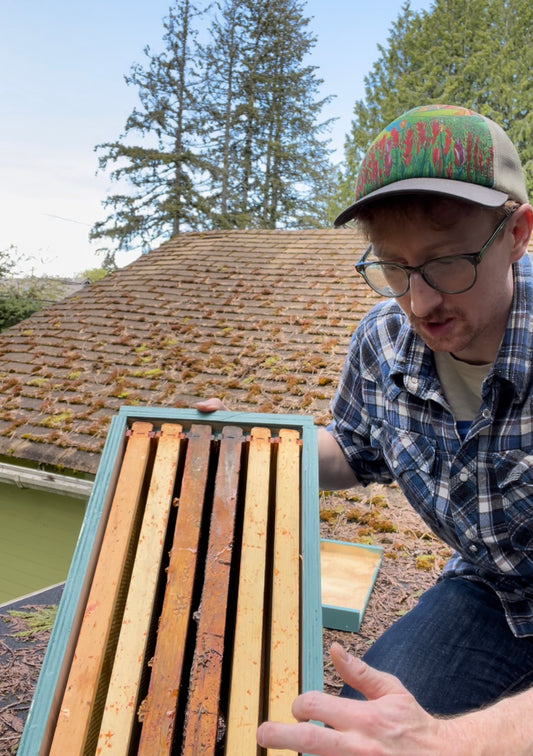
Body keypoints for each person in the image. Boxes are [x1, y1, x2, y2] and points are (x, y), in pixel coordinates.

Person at [199, 103, 533, 754]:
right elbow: (352, 451)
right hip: (491, 588)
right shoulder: (383, 342)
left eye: (445, 263)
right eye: (393, 268)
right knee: (361, 733)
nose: (420, 301)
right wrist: (256, 448)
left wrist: (459, 741)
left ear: (518, 232)